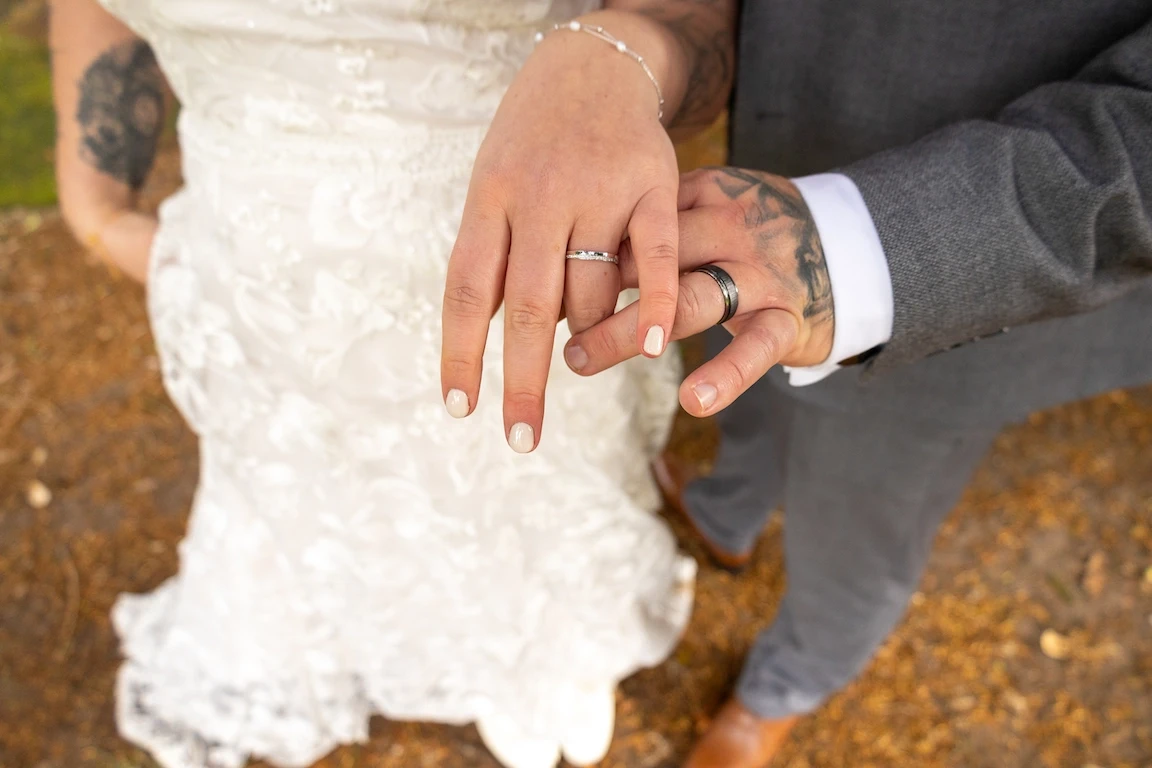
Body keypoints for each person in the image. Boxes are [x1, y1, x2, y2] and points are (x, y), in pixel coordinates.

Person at [447, 2, 1152, 767]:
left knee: (863, 528)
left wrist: (865, 248)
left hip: (970, 255)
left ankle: (784, 688)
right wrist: (630, 45)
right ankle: (728, 516)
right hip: (760, 172)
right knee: (743, 402)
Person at [48, 2, 708, 767]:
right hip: (261, 292)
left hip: (526, 263)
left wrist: (625, 57)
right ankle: (345, 641)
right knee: (309, 493)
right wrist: (93, 204)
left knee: (522, 478)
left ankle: (539, 656)